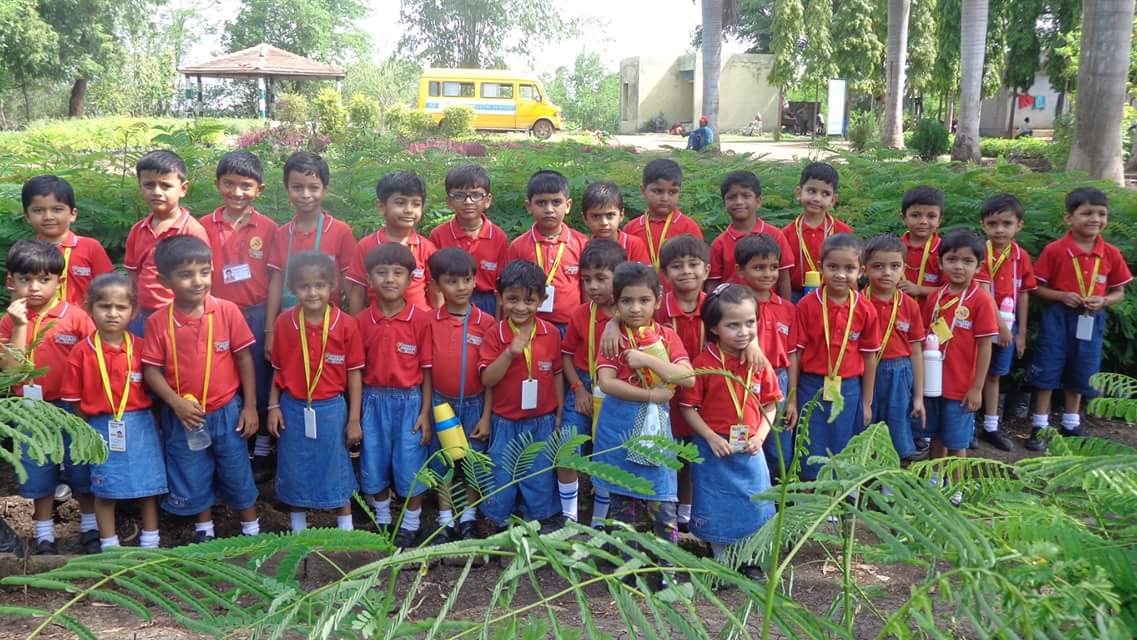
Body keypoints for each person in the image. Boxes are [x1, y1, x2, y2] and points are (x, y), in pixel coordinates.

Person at [141, 235, 261, 542]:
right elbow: (151, 371)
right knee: (192, 469)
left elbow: (244, 358)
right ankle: (204, 528)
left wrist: (249, 406)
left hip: (227, 410)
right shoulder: (158, 322)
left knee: (236, 468)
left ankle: (251, 528)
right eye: (185, 274)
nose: (197, 281)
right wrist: (175, 403)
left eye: (204, 272)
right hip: (184, 415)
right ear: (164, 281)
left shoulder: (227, 311)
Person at [0, 240, 97, 554]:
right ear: (11, 281)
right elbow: (13, 370)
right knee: (39, 469)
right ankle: (44, 535)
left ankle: (90, 528)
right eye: (25, 279)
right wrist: (20, 325)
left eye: (44, 279)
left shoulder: (77, 318)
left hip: (72, 408)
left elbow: (95, 361)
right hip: (31, 410)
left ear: (60, 280)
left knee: (80, 467)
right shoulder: (8, 321)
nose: (34, 287)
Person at [679, 284, 779, 579]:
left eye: (750, 323)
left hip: (751, 447)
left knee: (755, 501)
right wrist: (710, 437)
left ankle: (750, 558)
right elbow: (688, 408)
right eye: (733, 325)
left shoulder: (758, 362)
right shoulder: (703, 364)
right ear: (714, 328)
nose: (743, 332)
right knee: (716, 501)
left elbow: (771, 404)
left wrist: (760, 436)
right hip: (714, 449)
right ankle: (721, 560)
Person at [61, 273, 166, 550]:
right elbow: (74, 399)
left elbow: (155, 389)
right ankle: (109, 545)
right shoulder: (81, 352)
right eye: (104, 306)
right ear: (90, 307)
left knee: (148, 486)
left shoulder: (141, 348)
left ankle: (151, 541)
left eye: (121, 307)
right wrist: (85, 430)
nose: (112, 313)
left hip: (141, 426)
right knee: (104, 487)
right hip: (99, 426)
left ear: (134, 310)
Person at [593, 262, 694, 544]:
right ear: (616, 304)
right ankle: (626, 560)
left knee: (663, 503)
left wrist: (646, 359)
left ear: (658, 301)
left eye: (644, 300)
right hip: (619, 428)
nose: (635, 308)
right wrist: (650, 396)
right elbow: (606, 382)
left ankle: (668, 561)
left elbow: (688, 377)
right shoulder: (613, 338)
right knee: (622, 504)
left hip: (655, 431)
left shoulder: (667, 336)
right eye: (627, 301)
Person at [1026, 188, 1132, 451]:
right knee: (1049, 365)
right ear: (1069, 218)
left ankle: (1071, 423)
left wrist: (1103, 301)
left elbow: (1119, 292)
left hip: (1091, 318)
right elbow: (1036, 287)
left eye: (1101, 214)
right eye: (1087, 213)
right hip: (1058, 317)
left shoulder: (1110, 253)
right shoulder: (1055, 250)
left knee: (1083, 366)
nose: (1095, 219)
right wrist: (1061, 296)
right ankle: (1040, 425)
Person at [267, 252, 364, 533]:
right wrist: (273, 406)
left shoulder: (346, 324)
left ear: (333, 285)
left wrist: (354, 419)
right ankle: (298, 530)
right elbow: (277, 370)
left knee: (336, 466)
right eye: (304, 286)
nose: (312, 292)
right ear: (293, 289)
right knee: (294, 466)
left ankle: (345, 530)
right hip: (293, 408)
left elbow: (354, 373)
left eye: (319, 285)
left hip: (332, 409)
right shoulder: (284, 323)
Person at [200, 150, 279, 482]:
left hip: (256, 313)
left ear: (259, 189)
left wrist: (270, 325)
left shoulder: (269, 228)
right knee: (222, 375)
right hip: (216, 314)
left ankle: (262, 444)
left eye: (245, 185)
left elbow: (275, 278)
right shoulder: (203, 226)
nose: (236, 192)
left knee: (259, 376)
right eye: (229, 184)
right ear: (217, 183)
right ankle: (232, 441)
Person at [355, 243, 433, 547]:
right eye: (382, 272)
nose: (389, 279)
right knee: (373, 460)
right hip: (372, 400)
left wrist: (425, 412)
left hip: (410, 401)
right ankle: (383, 518)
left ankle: (412, 524)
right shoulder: (361, 322)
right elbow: (355, 372)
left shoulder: (421, 320)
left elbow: (427, 371)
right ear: (369, 278)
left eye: (398, 273)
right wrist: (355, 416)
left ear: (411, 279)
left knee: (410, 462)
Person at [478, 260, 563, 531]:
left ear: (542, 300)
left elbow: (557, 374)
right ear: (499, 297)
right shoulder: (495, 333)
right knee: (501, 472)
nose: (521, 307)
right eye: (512, 299)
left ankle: (538, 521)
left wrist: (559, 412)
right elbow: (487, 380)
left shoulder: (551, 333)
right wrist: (509, 353)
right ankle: (497, 521)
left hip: (541, 421)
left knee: (539, 473)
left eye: (529, 300)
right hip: (505, 420)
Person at [789, 233, 881, 481]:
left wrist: (867, 402)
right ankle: (808, 491)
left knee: (843, 442)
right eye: (833, 267)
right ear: (821, 268)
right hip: (811, 385)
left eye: (849, 268)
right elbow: (796, 354)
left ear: (861, 271)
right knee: (810, 441)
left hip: (849, 388)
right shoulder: (807, 305)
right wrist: (793, 398)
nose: (840, 275)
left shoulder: (865, 309)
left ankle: (835, 493)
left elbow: (870, 357)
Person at [917, 230, 997, 505]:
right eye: (952, 260)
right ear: (940, 263)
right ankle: (934, 478)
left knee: (957, 440)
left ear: (979, 266)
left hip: (961, 385)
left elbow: (985, 346)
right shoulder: (935, 297)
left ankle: (957, 486)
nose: (958, 266)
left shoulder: (980, 300)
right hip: (934, 382)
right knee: (935, 435)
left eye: (967, 261)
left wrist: (977, 388)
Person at [426, 247, 497, 542]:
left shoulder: (486, 322)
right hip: (441, 403)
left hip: (475, 403)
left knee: (472, 461)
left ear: (475, 280)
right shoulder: (429, 321)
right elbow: (426, 370)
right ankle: (445, 519)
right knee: (441, 461)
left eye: (467, 280)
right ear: (436, 285)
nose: (461, 287)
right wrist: (425, 412)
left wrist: (486, 415)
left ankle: (468, 517)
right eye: (451, 281)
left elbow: (491, 379)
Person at [265, 152, 357, 354]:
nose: (305, 195)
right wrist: (270, 331)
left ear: (325, 190)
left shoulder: (340, 231)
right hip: (289, 326)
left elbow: (348, 280)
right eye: (297, 187)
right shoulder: (282, 234)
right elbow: (276, 281)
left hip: (328, 325)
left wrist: (354, 325)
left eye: (313, 187)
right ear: (287, 189)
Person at [561, 239, 625, 528]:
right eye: (586, 280)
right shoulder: (580, 314)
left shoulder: (632, 316)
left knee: (607, 451)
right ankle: (569, 515)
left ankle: (599, 517)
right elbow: (566, 356)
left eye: (601, 278)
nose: (592, 286)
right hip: (584, 383)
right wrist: (578, 389)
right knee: (568, 447)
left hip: (617, 390)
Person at [124, 150, 209, 336]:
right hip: (141, 315)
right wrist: (132, 307)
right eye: (149, 185)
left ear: (183, 189)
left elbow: (203, 280)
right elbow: (133, 274)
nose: (156, 192)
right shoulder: (137, 230)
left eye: (165, 185)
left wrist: (199, 319)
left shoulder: (192, 231)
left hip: (178, 316)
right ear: (140, 187)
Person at [976, 194, 1036, 451]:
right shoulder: (980, 253)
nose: (999, 229)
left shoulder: (1021, 257)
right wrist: (1002, 327)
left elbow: (1024, 293)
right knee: (973, 372)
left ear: (1019, 225)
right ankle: (969, 426)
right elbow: (983, 292)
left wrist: (1020, 332)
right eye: (992, 223)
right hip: (982, 325)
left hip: (1009, 327)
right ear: (983, 225)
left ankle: (991, 426)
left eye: (1007, 223)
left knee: (995, 375)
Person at [734, 234, 797, 476]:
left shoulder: (788, 308)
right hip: (743, 380)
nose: (768, 273)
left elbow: (792, 356)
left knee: (778, 446)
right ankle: (745, 488)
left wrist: (792, 399)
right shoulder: (733, 306)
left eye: (773, 267)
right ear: (740, 271)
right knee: (743, 441)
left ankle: (778, 489)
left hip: (778, 380)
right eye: (759, 267)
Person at [862, 234, 928, 462]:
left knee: (897, 419)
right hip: (863, 370)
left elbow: (916, 351)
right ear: (864, 269)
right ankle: (864, 466)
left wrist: (918, 396)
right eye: (878, 266)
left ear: (903, 269)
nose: (886, 272)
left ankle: (895, 466)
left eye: (894, 266)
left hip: (899, 373)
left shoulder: (909, 305)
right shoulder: (857, 302)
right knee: (865, 419)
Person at [506, 170, 588, 332]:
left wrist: (586, 324)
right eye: (541, 203)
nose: (549, 209)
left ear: (568, 206)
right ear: (529, 206)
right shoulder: (518, 246)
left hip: (570, 325)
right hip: (530, 325)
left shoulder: (582, 243)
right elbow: (509, 289)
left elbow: (587, 288)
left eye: (556, 202)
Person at [348, 171, 439, 313]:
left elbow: (436, 292)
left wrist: (440, 323)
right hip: (378, 322)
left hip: (420, 323)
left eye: (416, 204)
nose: (409, 210)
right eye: (400, 203)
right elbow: (358, 294)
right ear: (381, 206)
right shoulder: (366, 246)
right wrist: (355, 325)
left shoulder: (427, 248)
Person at [16, 175, 112, 306]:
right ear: (27, 216)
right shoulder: (23, 254)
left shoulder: (91, 247)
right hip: (38, 320)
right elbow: (17, 298)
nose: (48, 216)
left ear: (73, 214)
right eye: (38, 210)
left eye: (57, 209)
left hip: (84, 319)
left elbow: (108, 291)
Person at [428, 164, 510, 316]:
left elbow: (502, 287)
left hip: (487, 303)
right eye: (459, 195)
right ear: (449, 201)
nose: (468, 201)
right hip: (449, 301)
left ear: (487, 200)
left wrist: (499, 321)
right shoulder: (438, 235)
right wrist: (438, 316)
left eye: (476, 195)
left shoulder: (498, 237)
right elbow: (433, 283)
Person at [708, 170, 794, 298]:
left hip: (769, 306)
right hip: (732, 307)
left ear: (758, 201)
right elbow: (713, 285)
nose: (739, 202)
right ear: (724, 204)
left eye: (746, 196)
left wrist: (785, 307)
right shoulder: (719, 244)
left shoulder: (776, 235)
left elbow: (783, 278)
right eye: (732, 197)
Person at [782, 162, 852, 301]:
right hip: (796, 295)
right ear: (799, 193)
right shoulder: (786, 233)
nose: (817, 199)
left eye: (825, 194)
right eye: (811, 191)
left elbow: (851, 268)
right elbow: (783, 275)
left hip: (832, 294)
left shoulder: (843, 232)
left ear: (833, 200)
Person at [623, 159, 704, 276]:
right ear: (643, 191)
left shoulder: (688, 227)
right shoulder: (631, 228)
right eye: (658, 191)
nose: (665, 198)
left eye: (672, 192)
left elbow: (698, 267)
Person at [581, 181, 651, 265]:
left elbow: (644, 272)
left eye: (610, 215)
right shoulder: (583, 246)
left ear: (621, 215)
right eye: (596, 216)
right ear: (585, 219)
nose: (604, 222)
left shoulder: (633, 244)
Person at [898, 186, 945, 300]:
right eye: (915, 215)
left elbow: (952, 289)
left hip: (932, 310)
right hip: (897, 309)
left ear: (939, 220)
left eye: (931, 216)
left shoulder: (944, 250)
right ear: (903, 218)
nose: (923, 221)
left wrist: (919, 290)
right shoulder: (893, 248)